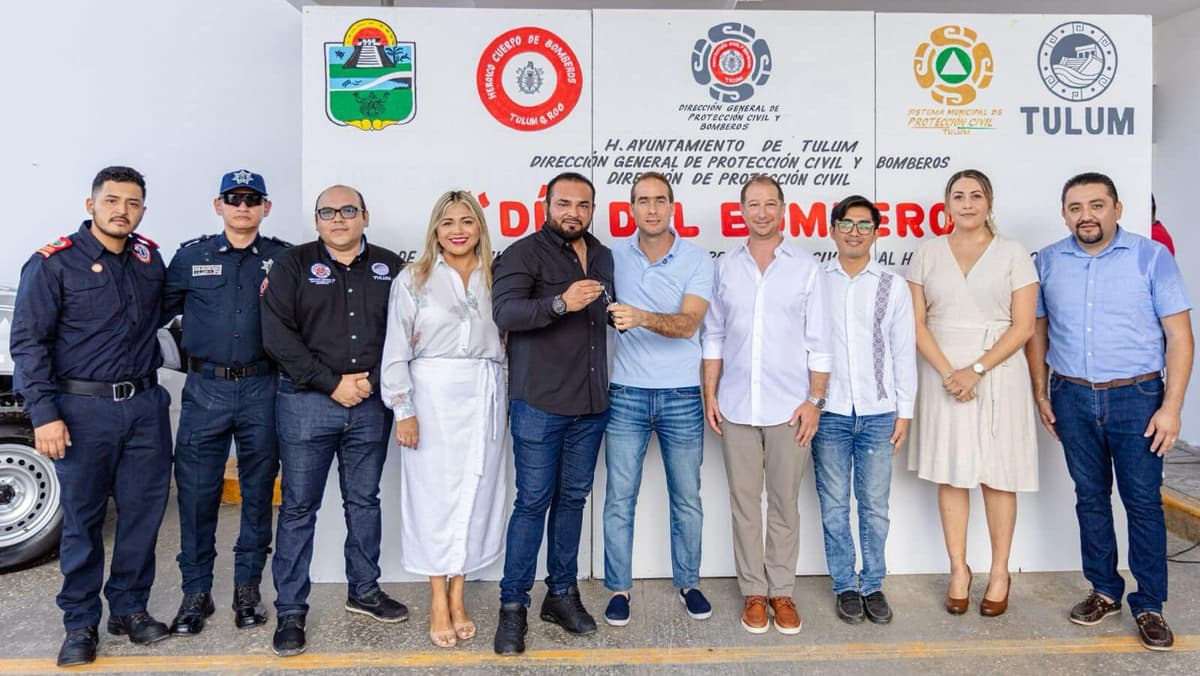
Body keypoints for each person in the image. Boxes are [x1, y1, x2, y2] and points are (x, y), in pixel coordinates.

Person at [11, 166, 173, 666]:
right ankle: (80, 622)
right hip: (82, 411)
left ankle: (129, 609)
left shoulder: (149, 259)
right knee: (82, 521)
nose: (122, 210)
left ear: (142, 209)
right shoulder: (54, 264)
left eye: (132, 203)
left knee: (143, 517)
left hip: (145, 408)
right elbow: (28, 344)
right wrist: (43, 415)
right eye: (112, 201)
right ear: (91, 205)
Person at [1028, 172, 1193, 651]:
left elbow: (1180, 337)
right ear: (1064, 214)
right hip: (1072, 396)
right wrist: (1042, 391)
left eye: (1096, 205)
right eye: (1076, 207)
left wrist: (1172, 407)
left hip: (1137, 398)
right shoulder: (1050, 261)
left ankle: (1150, 605)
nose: (1086, 216)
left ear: (1117, 208)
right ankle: (1104, 590)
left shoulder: (1151, 257)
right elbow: (1038, 331)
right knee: (1090, 497)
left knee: (1142, 503)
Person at [261, 184, 407, 657]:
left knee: (364, 501)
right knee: (300, 507)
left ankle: (365, 592)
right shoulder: (292, 265)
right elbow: (277, 336)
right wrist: (332, 383)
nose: (338, 219)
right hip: (307, 403)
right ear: (317, 219)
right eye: (328, 212)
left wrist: (372, 383)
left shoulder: (390, 265)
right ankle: (290, 610)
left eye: (348, 210)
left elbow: (407, 331)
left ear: (365, 214)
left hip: (370, 404)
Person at [701, 175, 832, 635]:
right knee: (742, 502)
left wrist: (815, 400)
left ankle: (782, 591)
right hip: (735, 405)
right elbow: (713, 335)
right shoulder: (725, 267)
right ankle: (754, 591)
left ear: (783, 210)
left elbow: (820, 342)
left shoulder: (806, 267)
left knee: (784, 502)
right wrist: (709, 393)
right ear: (741, 211)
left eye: (769, 204)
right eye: (752, 204)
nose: (761, 212)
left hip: (790, 408)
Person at [161, 169, 290, 635]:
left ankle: (247, 591)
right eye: (233, 198)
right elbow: (153, 313)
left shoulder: (283, 259)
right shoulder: (190, 257)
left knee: (259, 496)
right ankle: (195, 594)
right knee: (196, 497)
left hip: (262, 389)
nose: (242, 206)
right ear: (219, 206)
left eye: (252, 199)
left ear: (265, 208)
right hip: (205, 391)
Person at [491, 171, 614, 656]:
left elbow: (598, 315)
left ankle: (561, 594)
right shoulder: (523, 253)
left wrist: (616, 313)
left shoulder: (601, 254)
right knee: (532, 502)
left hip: (590, 404)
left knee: (573, 501)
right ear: (546, 205)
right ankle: (512, 605)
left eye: (583, 205)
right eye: (564, 203)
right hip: (539, 403)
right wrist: (561, 302)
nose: (574, 212)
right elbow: (505, 314)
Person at [906, 169, 1038, 619]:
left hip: (998, 373)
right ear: (946, 204)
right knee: (952, 471)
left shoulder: (1013, 253)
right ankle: (958, 569)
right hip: (943, 374)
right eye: (958, 196)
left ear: (989, 202)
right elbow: (916, 322)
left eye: (975, 195)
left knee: (997, 474)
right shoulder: (926, 253)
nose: (967, 204)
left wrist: (976, 369)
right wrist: (950, 373)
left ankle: (1000, 572)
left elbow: (1024, 327)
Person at [380, 191, 507, 648]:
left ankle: (459, 593)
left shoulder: (498, 277)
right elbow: (396, 349)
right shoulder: (413, 278)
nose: (458, 229)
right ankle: (437, 596)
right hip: (431, 395)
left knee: (477, 491)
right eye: (448, 221)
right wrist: (403, 409)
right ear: (435, 229)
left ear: (479, 228)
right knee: (432, 496)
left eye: (467, 221)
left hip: (485, 395)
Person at [601, 172, 714, 627]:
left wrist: (641, 317)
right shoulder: (611, 258)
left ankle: (688, 583)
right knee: (618, 498)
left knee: (686, 497)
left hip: (682, 393)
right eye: (642, 201)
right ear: (630, 209)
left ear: (673, 207)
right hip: (626, 392)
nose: (651, 208)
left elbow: (689, 325)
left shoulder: (697, 258)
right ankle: (618, 589)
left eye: (659, 200)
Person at [812, 195, 916, 626]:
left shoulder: (893, 285)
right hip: (830, 413)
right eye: (847, 223)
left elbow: (903, 351)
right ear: (833, 229)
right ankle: (845, 586)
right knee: (834, 504)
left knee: (874, 504)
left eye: (863, 225)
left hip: (878, 414)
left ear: (877, 232)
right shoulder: (816, 281)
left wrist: (904, 412)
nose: (854, 232)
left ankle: (872, 583)